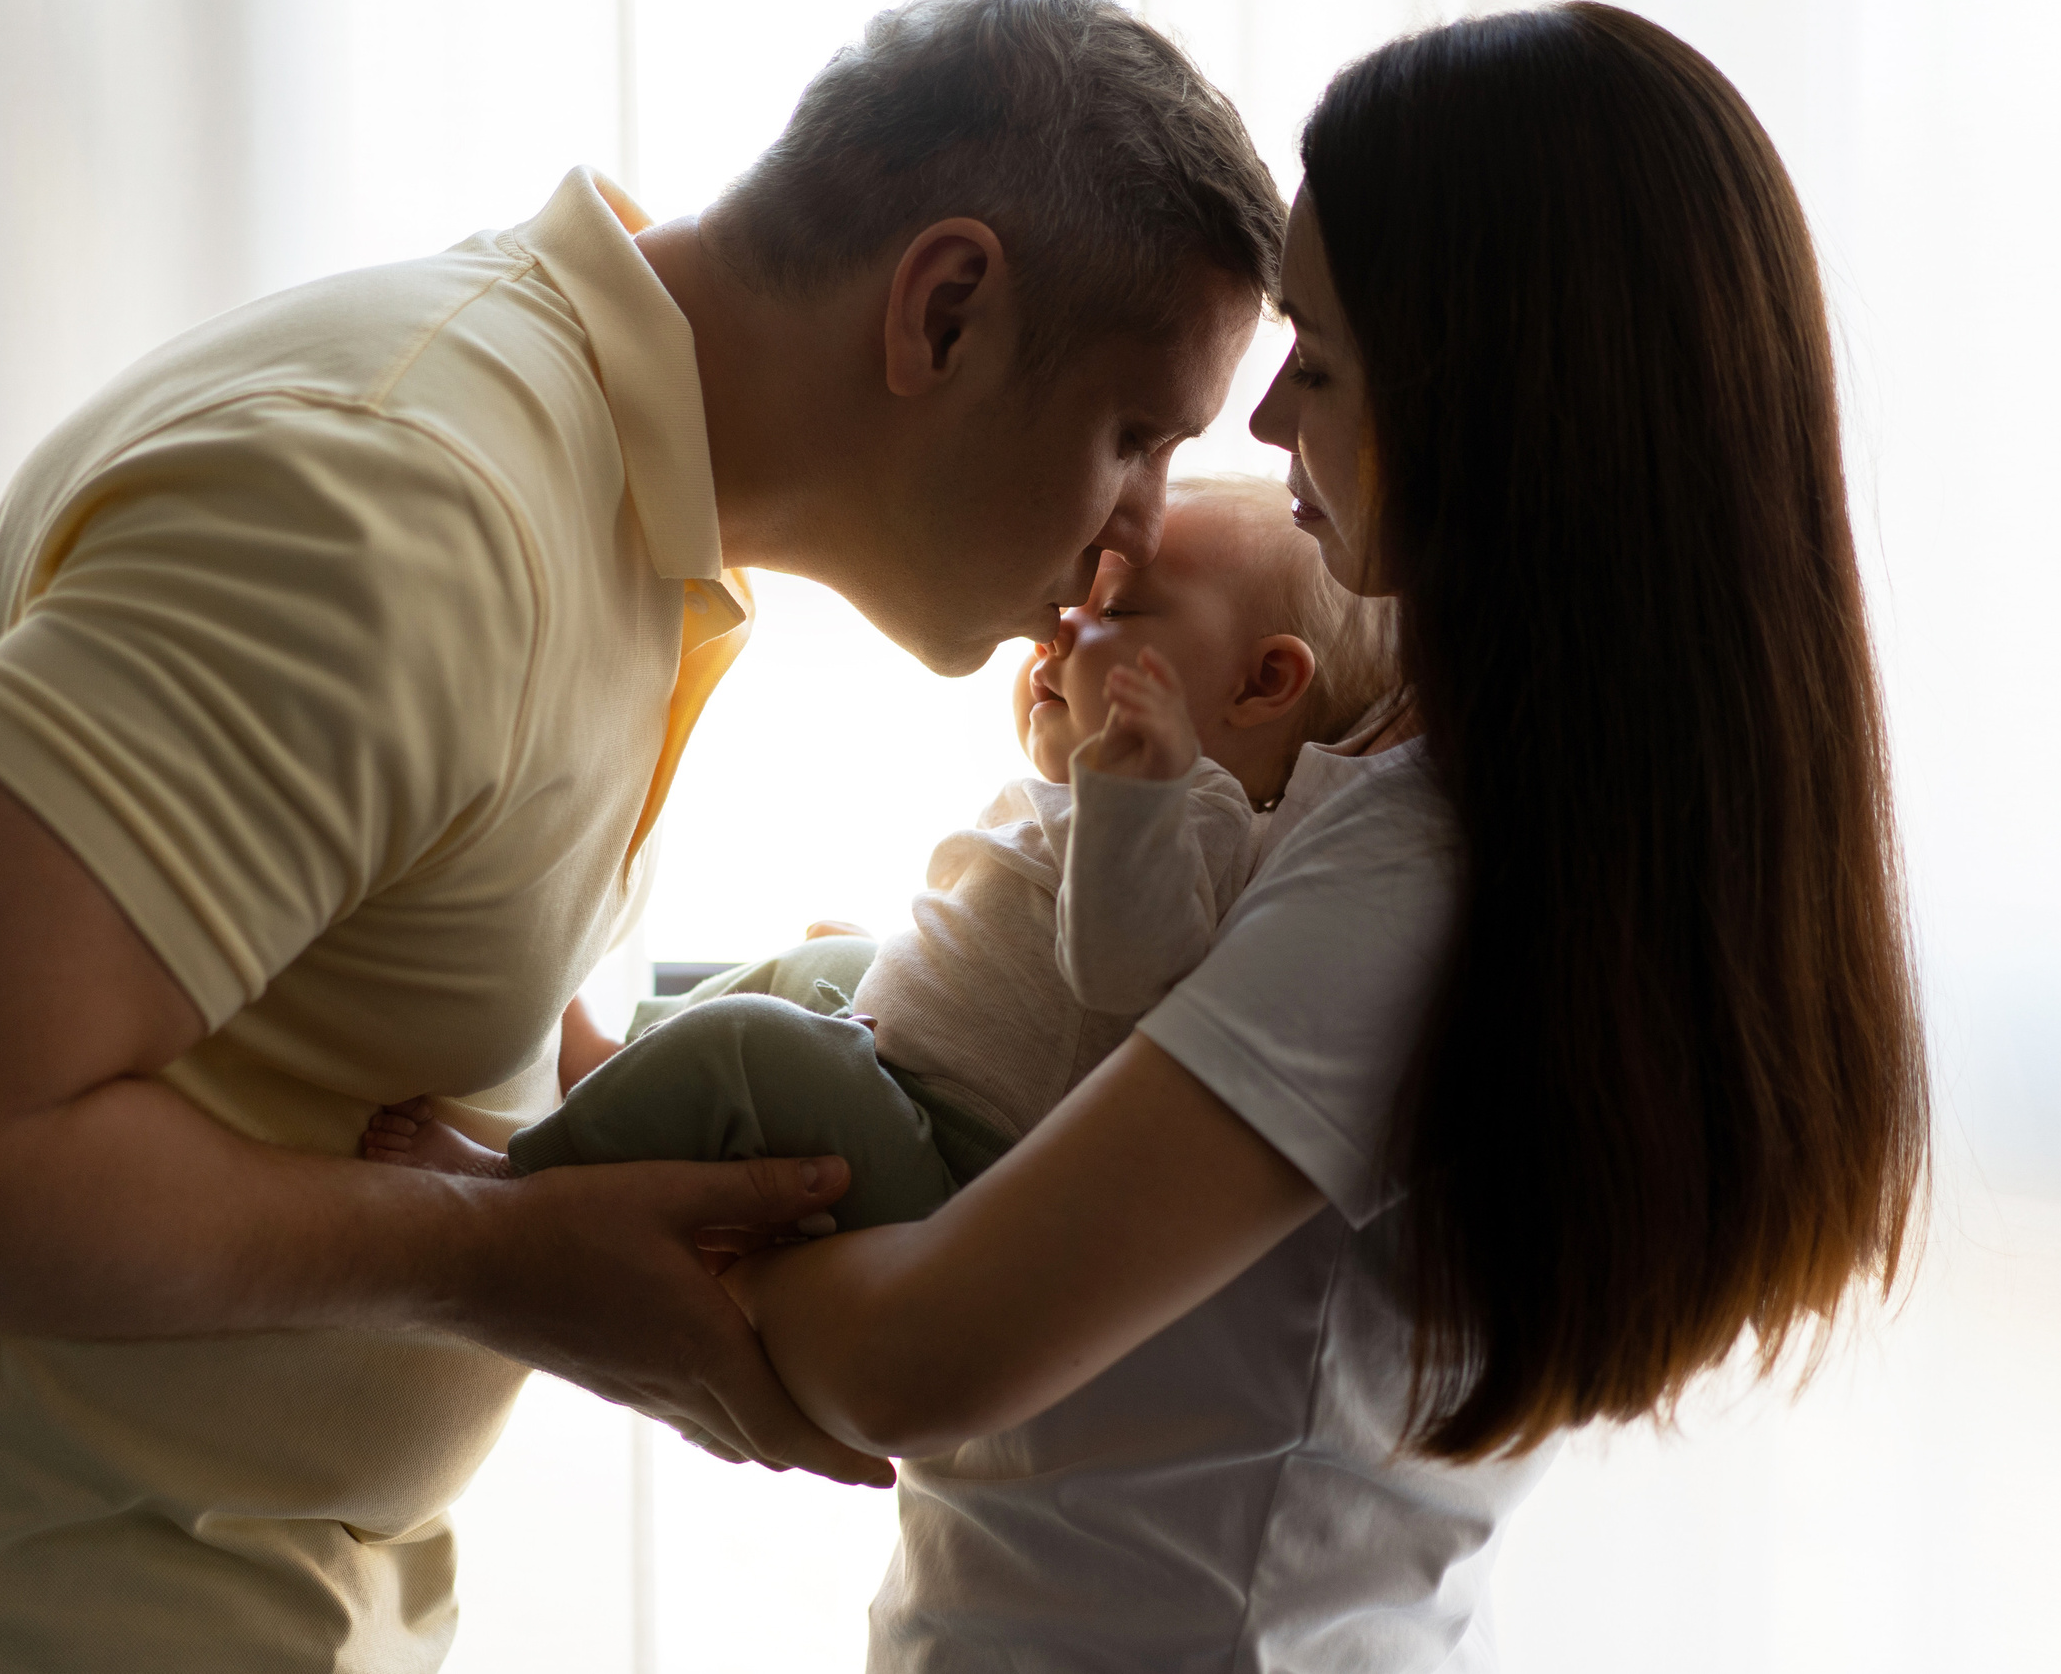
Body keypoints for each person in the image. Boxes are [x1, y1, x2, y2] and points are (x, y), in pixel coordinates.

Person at [0, 0, 1282, 1672]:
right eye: (1139, 437)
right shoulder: (406, 513)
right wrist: (497, 1258)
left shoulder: (602, 501)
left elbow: (331, 1025)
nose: (1137, 542)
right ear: (943, 311)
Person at [704, 3, 1933, 1672]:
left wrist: (639, 1236)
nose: (1268, 422)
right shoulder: (1513, 808)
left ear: (1503, 409)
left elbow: (921, 1359)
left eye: (1322, 360)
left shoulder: (1415, 871)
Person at [357, 477, 1398, 1228]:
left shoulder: (1198, 812)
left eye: (1114, 614)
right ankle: (615, 1061)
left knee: (766, 1048)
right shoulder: (1118, 791)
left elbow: (1124, 970)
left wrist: (1134, 799)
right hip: (927, 1079)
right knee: (823, 969)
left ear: (1261, 685)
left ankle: (514, 1181)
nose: (1058, 629)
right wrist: (914, 970)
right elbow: (1013, 939)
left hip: (965, 1171)